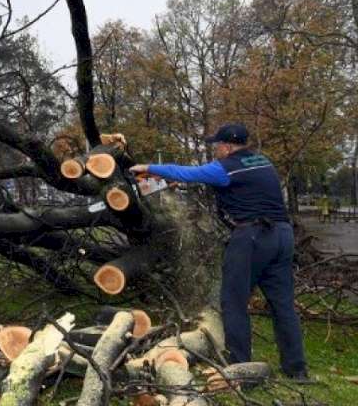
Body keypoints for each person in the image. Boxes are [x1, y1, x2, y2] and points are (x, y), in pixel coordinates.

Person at [130, 123, 310, 382]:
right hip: (282, 236)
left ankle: (240, 367)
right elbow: (231, 187)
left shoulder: (227, 166)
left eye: (217, 146)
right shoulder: (262, 162)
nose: (215, 150)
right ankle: (297, 369)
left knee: (233, 301)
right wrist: (175, 183)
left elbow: (192, 172)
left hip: (252, 236)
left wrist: (149, 168)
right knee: (282, 304)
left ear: (226, 146)